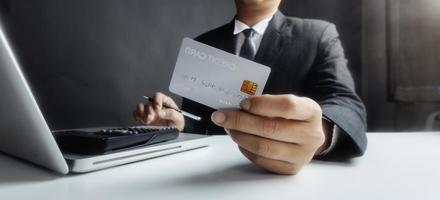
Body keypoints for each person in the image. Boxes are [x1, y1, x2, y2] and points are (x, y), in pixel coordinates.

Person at [134, 0, 367, 175]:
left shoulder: (317, 35)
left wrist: (322, 133)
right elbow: (205, 123)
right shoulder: (204, 44)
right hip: (211, 177)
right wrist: (180, 121)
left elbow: (346, 103)